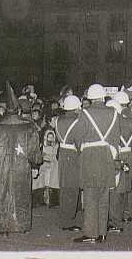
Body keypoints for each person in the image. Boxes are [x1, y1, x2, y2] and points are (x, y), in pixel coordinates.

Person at [0, 82, 42, 235]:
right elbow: (35, 153)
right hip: (21, 167)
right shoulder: (29, 127)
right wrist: (35, 164)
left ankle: (0, 226)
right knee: (20, 195)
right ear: (19, 110)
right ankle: (20, 225)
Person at [70, 84, 121, 243]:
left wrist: (82, 149)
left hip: (90, 156)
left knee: (91, 196)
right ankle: (102, 232)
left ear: (90, 98)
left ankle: (91, 233)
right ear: (103, 97)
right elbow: (115, 138)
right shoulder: (113, 113)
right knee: (104, 196)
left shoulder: (85, 113)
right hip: (107, 155)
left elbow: (77, 136)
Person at [109, 91, 132, 227]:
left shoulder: (117, 119)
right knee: (129, 184)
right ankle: (130, 212)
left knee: (118, 186)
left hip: (119, 153)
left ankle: (118, 214)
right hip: (130, 153)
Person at [54, 95, 83, 232]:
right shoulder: (77, 121)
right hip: (73, 155)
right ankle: (67, 221)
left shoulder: (58, 120)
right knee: (72, 187)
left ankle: (64, 217)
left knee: (64, 186)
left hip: (63, 154)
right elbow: (79, 141)